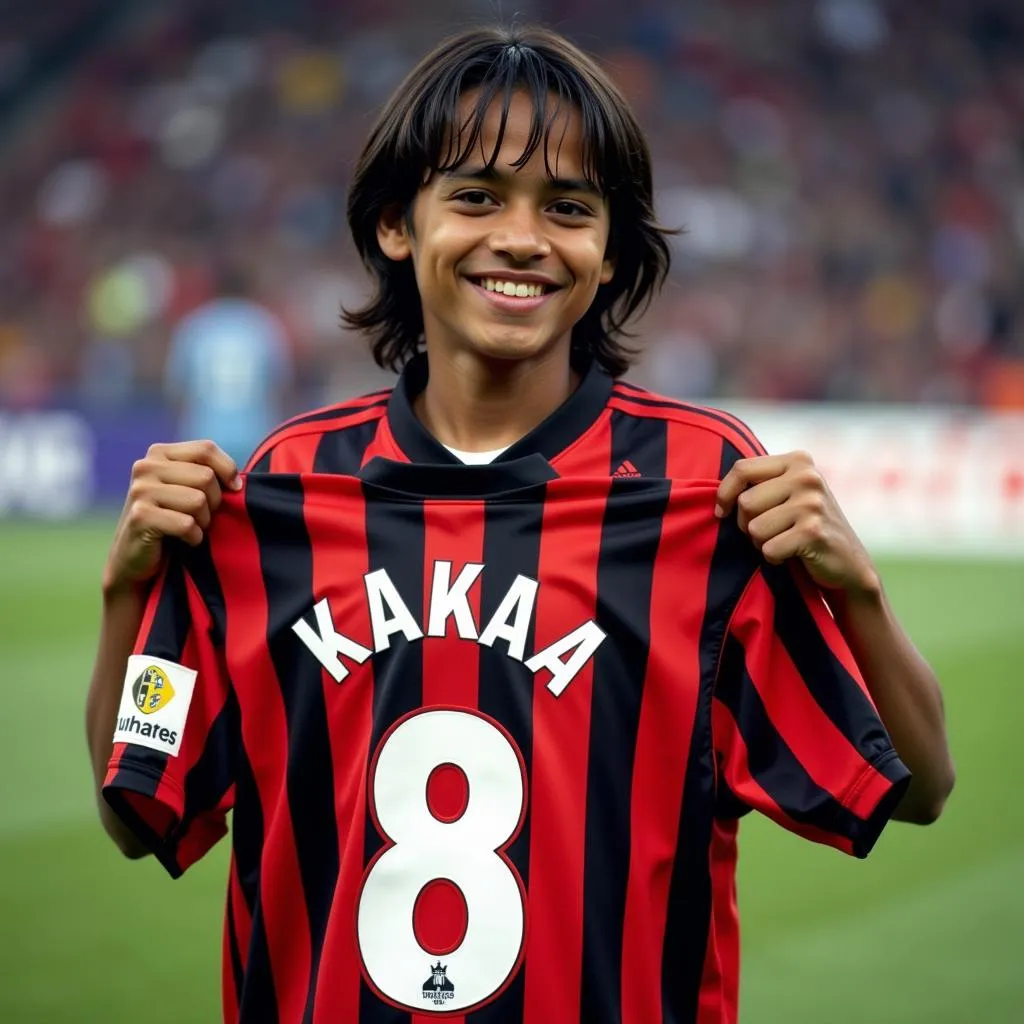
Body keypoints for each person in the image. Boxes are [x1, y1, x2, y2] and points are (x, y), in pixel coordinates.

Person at [86, 24, 955, 1024]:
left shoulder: (708, 484)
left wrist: (859, 593)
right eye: (475, 197)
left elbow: (916, 783)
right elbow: (134, 806)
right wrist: (125, 597)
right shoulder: (281, 484)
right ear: (394, 225)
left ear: (609, 246)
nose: (522, 237)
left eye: (569, 208)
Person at [164, 265, 293, 467]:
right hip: (254, 433)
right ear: (248, 289)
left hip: (205, 433)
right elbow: (281, 384)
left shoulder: (196, 325)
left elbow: (177, 387)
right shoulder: (263, 325)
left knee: (204, 496)